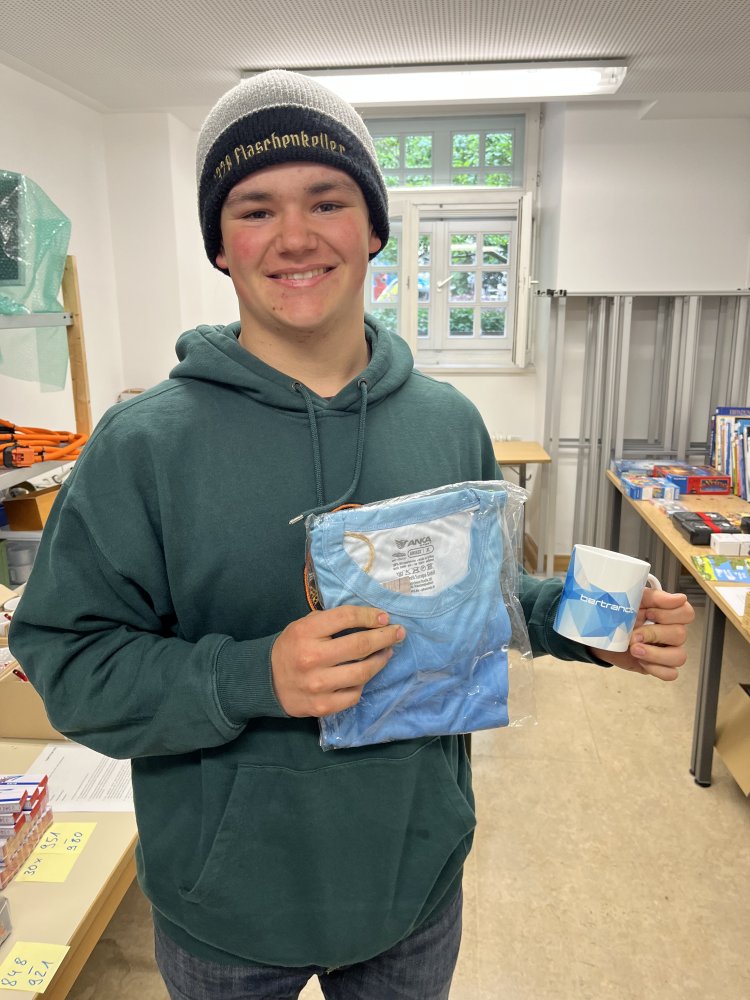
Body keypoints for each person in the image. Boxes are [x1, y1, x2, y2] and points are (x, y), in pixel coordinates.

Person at [9, 70, 694, 1000]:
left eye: (327, 200)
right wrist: (255, 675)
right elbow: (68, 661)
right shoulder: (145, 445)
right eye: (256, 209)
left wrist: (583, 620)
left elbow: (476, 597)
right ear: (220, 245)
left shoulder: (445, 423)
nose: (294, 236)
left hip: (413, 882)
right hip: (227, 906)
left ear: (374, 228)